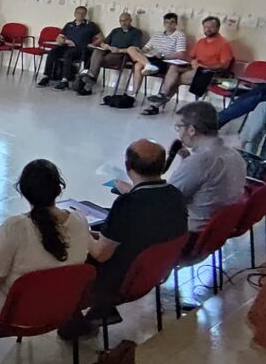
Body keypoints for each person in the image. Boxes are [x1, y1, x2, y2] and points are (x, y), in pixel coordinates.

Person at [59, 140, 188, 338]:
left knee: (69, 244)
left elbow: (100, 255)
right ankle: (101, 309)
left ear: (128, 167)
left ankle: (83, 317)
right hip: (152, 272)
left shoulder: (128, 205)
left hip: (117, 280)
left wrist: (81, 226)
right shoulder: (176, 195)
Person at [0, 160, 92, 317]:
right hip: (61, 309)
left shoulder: (16, 227)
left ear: (23, 191)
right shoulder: (80, 220)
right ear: (59, 189)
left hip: (14, 315)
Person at [165, 101, 246, 246]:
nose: (179, 132)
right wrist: (186, 158)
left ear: (191, 130)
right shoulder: (235, 155)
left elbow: (167, 199)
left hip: (189, 236)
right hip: (217, 232)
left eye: (179, 127)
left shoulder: (200, 161)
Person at [142, 16, 233, 115]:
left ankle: (157, 103)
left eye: (211, 27)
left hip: (210, 73)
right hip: (193, 69)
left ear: (218, 28)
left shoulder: (223, 44)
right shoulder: (201, 41)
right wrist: (193, 62)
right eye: (205, 27)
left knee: (175, 80)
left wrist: (204, 66)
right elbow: (190, 57)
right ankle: (162, 95)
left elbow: (224, 65)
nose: (207, 29)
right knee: (173, 67)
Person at [74, 12, 143, 95]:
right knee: (96, 51)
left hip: (121, 54)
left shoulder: (136, 32)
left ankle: (89, 81)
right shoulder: (115, 31)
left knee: (97, 60)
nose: (123, 23)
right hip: (109, 51)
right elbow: (103, 43)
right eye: (121, 21)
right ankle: (91, 78)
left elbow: (136, 49)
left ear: (130, 20)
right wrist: (107, 46)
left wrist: (119, 50)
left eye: (125, 20)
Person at [124, 12, 187, 98]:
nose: (169, 25)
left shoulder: (180, 35)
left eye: (172, 22)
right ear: (164, 23)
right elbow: (146, 48)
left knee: (138, 65)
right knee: (131, 48)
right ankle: (148, 66)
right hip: (151, 57)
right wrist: (142, 51)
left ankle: (134, 93)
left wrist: (162, 56)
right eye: (166, 22)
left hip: (164, 60)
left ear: (176, 24)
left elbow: (181, 55)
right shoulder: (158, 34)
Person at [37, 6, 101, 89]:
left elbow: (101, 38)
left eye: (83, 13)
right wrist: (63, 41)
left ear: (85, 15)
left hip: (80, 49)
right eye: (78, 13)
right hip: (66, 45)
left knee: (68, 54)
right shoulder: (69, 25)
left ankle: (64, 80)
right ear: (75, 14)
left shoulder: (91, 25)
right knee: (52, 52)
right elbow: (59, 37)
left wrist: (93, 44)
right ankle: (46, 76)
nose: (80, 15)